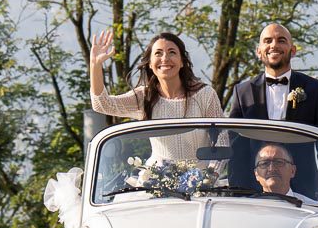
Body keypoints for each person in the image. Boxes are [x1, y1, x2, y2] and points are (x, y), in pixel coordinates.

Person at [90, 31, 224, 163]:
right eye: (158, 53)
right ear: (150, 63)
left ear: (182, 61)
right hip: (156, 179)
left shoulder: (205, 94)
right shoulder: (145, 96)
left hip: (201, 180)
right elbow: (102, 104)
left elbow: (222, 140)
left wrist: (211, 175)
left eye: (172, 52)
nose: (165, 58)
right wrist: (95, 65)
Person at [226, 22, 318, 139]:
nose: (274, 45)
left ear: (293, 50)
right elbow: (233, 141)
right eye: (268, 41)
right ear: (259, 52)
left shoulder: (315, 89)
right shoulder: (242, 92)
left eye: (281, 40)